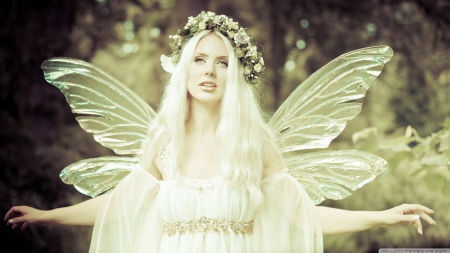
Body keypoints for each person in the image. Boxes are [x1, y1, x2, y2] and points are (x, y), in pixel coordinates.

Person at [5, 11, 435, 253]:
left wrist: (380, 216)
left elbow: (301, 216)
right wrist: (48, 216)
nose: (209, 71)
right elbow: (120, 206)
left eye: (222, 62)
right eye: (199, 60)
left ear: (235, 74)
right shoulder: (163, 142)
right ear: (184, 70)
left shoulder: (256, 145)